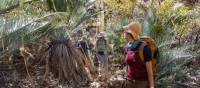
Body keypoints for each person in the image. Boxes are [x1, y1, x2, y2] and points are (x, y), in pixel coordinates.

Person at [123, 22, 155, 88]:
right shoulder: (127, 47)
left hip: (141, 84)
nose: (124, 32)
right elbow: (128, 66)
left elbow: (149, 71)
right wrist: (125, 78)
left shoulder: (144, 48)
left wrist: (152, 86)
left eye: (125, 31)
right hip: (129, 82)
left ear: (130, 33)